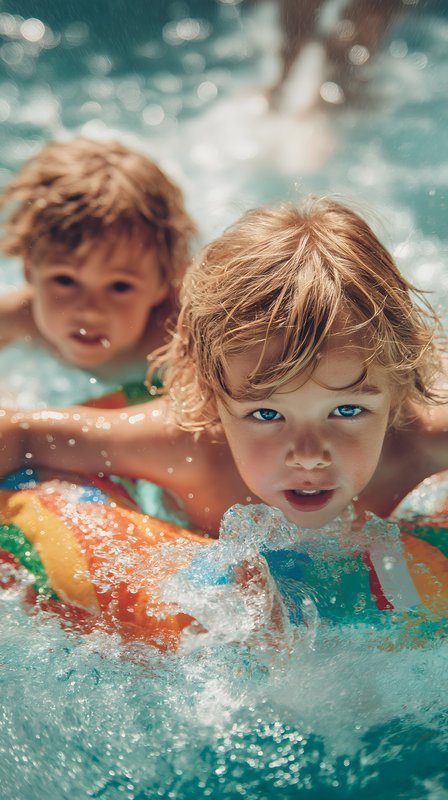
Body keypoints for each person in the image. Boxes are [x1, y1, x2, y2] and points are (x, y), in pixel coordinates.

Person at [0, 196, 447, 540]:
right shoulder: (186, 450)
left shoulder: (424, 444)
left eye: (347, 411)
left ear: (397, 391)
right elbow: (21, 434)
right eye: (267, 415)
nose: (309, 453)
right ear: (213, 400)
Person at [0, 136, 196, 377]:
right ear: (29, 270)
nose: (89, 312)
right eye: (65, 280)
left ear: (162, 286)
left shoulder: (180, 335)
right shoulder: (15, 318)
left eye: (120, 286)